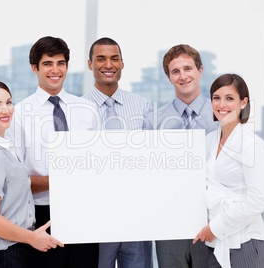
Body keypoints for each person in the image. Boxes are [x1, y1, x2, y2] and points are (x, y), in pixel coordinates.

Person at [6, 36, 99, 267]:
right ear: (34, 68)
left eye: (61, 63)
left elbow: (99, 164)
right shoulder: (19, 114)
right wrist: (61, 180)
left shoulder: (87, 110)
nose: (55, 70)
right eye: (47, 63)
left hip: (84, 211)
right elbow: (15, 180)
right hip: (40, 214)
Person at [0, 79, 63, 268]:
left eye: (9, 102)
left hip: (12, 252)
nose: (6, 109)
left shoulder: (4, 149)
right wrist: (32, 238)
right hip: (2, 256)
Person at [83, 37, 153, 268]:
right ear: (90, 64)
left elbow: (152, 160)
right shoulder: (76, 110)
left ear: (123, 63)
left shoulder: (142, 106)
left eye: (114, 59)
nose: (108, 65)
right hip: (96, 218)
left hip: (136, 216)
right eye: (100, 59)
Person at [146, 44, 218, 268]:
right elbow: (147, 172)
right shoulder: (153, 121)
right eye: (175, 71)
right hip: (170, 225)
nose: (183, 76)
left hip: (213, 221)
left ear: (200, 71)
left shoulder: (221, 116)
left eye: (188, 68)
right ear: (169, 78)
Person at [193, 73, 264, 268]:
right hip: (214, 242)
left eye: (229, 98)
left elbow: (259, 200)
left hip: (245, 243)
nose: (222, 104)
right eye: (216, 98)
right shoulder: (208, 140)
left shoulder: (253, 144)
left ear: (243, 102)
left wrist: (216, 228)